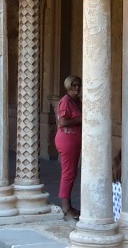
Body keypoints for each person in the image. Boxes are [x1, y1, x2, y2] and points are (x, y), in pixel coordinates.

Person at [56, 75, 82, 219]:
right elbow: (62, 122)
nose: (77, 88)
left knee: (71, 173)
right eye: (74, 85)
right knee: (68, 173)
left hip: (74, 139)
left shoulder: (76, 100)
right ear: (68, 86)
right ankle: (66, 209)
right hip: (67, 139)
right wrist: (81, 119)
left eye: (79, 85)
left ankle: (69, 206)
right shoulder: (66, 101)